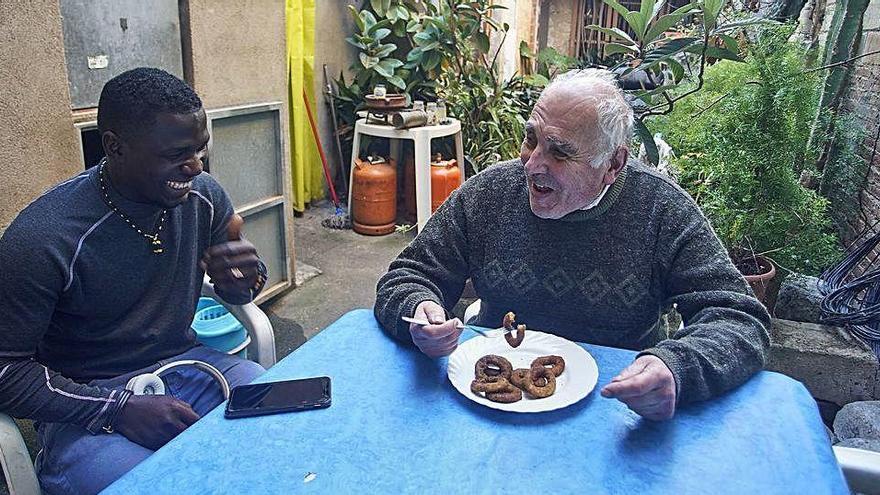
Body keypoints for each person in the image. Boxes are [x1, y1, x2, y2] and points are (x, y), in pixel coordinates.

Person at [374, 69, 770, 421]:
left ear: (612, 165)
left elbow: (739, 319)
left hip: (617, 409)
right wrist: (418, 312)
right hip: (488, 402)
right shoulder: (488, 195)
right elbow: (408, 276)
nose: (531, 165)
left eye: (559, 153)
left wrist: (676, 368)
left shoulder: (662, 212)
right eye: (531, 139)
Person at [0, 67, 269, 494]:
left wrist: (243, 281)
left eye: (200, 149)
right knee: (155, 485)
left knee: (280, 421)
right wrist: (117, 408)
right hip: (85, 402)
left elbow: (240, 286)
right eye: (177, 153)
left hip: (192, 366)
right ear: (114, 147)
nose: (195, 166)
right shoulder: (44, 238)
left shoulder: (203, 196)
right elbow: (6, 370)